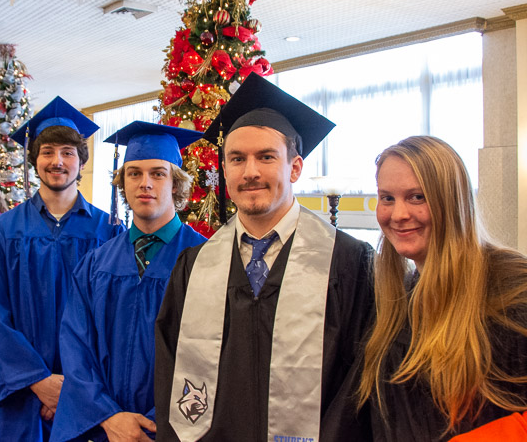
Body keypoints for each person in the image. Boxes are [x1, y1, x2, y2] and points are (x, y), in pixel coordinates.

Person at [155, 73, 375, 441]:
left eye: (266, 157)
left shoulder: (348, 262)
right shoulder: (194, 267)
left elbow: (362, 383)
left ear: (295, 167)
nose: (250, 171)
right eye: (237, 159)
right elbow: (170, 376)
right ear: (224, 170)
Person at [358, 135, 527, 440]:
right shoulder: (401, 297)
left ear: (451, 200)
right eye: (387, 198)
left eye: (417, 197)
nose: (398, 215)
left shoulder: (512, 288)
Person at [0, 96, 125, 441]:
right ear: (34, 159)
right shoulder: (0, 233)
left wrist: (74, 389)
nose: (57, 161)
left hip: (90, 399)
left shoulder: (109, 232)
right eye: (47, 152)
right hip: (21, 395)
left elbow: (114, 321)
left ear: (81, 162)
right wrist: (39, 382)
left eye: (68, 152)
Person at [51, 121, 206, 442]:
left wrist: (154, 424)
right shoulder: (95, 263)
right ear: (123, 183)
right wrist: (108, 416)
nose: (144, 183)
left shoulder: (205, 259)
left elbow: (209, 357)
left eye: (158, 174)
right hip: (103, 429)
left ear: (176, 184)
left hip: (174, 429)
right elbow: (75, 346)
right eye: (134, 173)